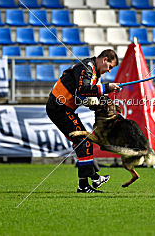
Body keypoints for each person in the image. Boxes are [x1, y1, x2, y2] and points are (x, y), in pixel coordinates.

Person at [46, 49, 121, 193]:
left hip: (64, 109)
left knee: (82, 142)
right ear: (104, 60)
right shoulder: (87, 67)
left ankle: (93, 178)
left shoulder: (93, 72)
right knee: (83, 141)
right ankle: (85, 185)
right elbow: (84, 90)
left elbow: (84, 96)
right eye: (110, 67)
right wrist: (107, 87)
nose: (109, 71)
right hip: (59, 108)